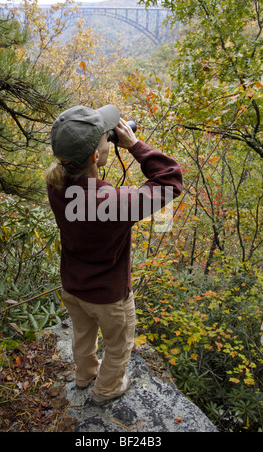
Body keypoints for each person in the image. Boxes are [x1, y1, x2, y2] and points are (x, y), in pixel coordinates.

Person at [45, 104, 183, 406]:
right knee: (118, 345)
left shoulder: (54, 182)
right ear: (96, 156)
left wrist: (97, 143)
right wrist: (134, 145)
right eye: (106, 140)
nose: (111, 141)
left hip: (73, 286)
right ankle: (107, 389)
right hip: (108, 296)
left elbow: (76, 171)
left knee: (82, 336)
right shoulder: (115, 203)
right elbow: (170, 180)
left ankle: (84, 376)